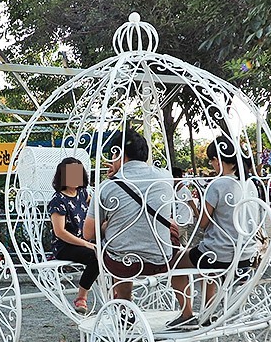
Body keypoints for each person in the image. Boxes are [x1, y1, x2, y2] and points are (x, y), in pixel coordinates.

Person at [83, 128, 175, 302]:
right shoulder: (166, 177)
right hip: (161, 259)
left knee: (113, 247)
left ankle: (123, 302)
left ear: (119, 153)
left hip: (122, 264)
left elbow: (88, 234)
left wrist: (107, 225)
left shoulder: (105, 187)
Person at [171, 136, 248, 327]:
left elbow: (204, 223)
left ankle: (186, 314)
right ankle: (208, 311)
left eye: (212, 160)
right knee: (206, 267)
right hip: (246, 253)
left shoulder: (218, 185)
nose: (211, 164)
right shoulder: (250, 184)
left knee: (176, 262)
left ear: (219, 160)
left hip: (219, 253)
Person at [47, 157, 98, 314]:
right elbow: (60, 232)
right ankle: (81, 297)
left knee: (111, 250)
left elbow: (96, 205)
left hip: (84, 240)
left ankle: (116, 291)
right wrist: (85, 243)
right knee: (95, 256)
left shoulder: (82, 193)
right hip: (65, 245)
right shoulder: (58, 200)